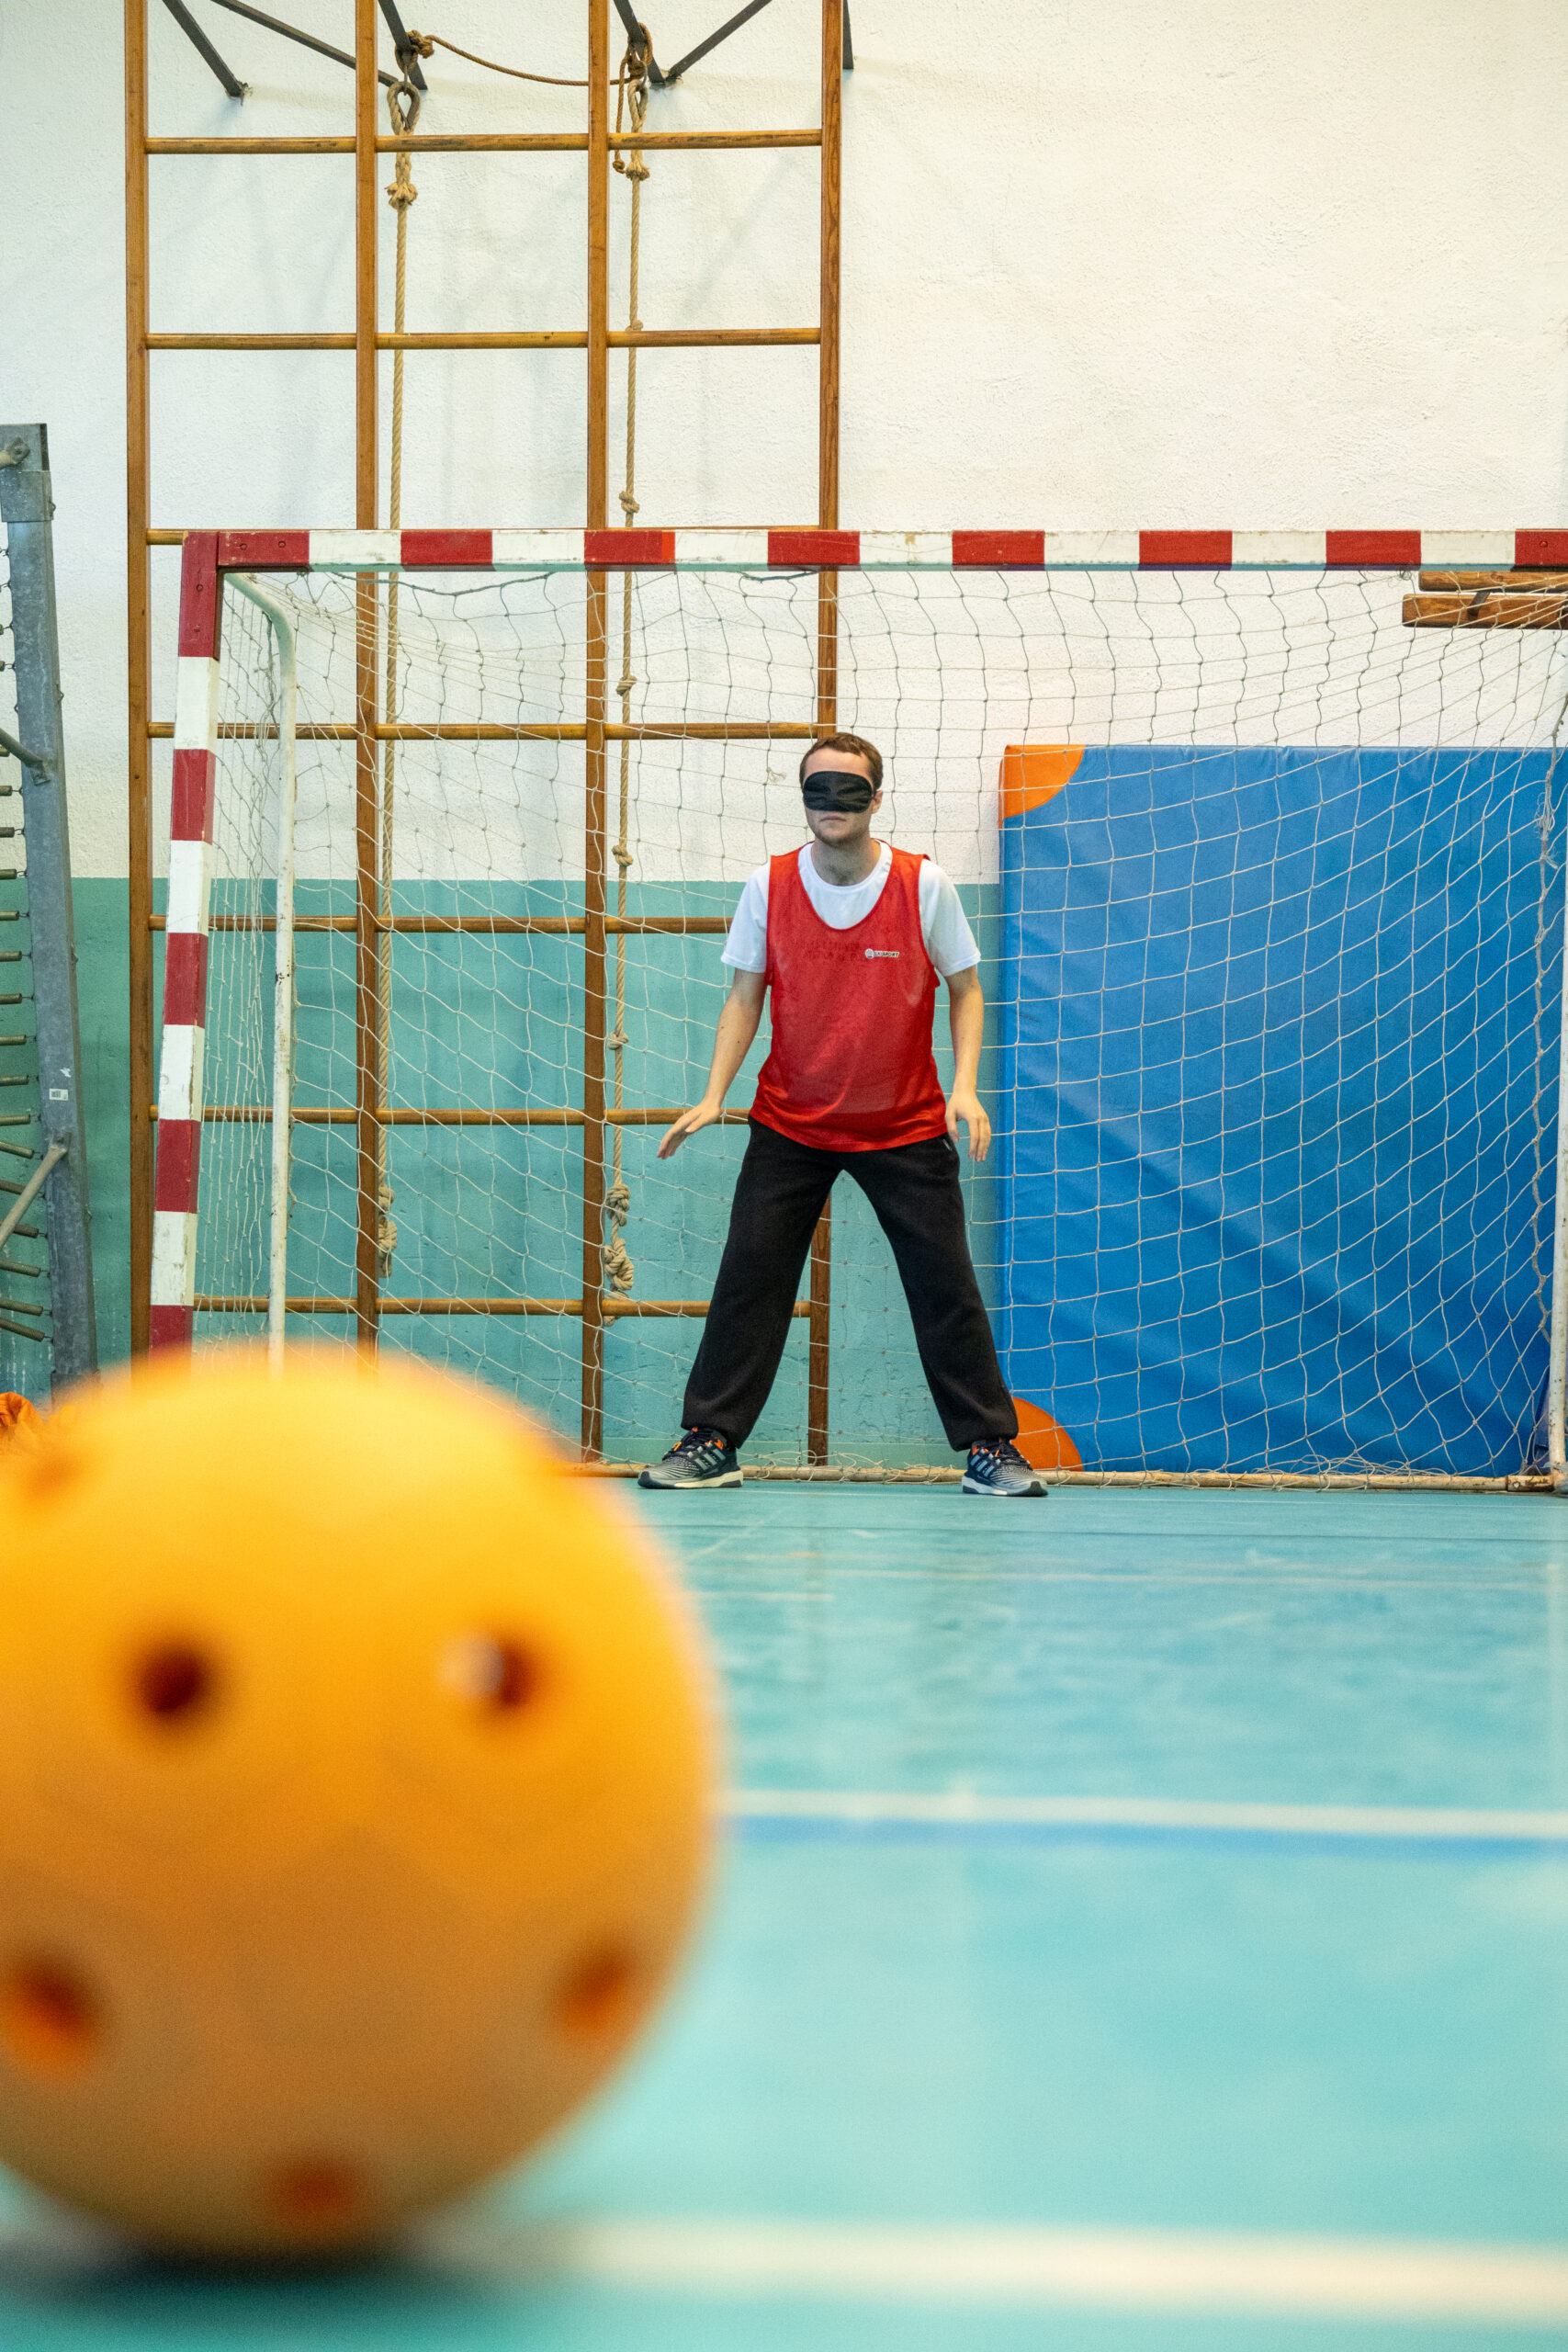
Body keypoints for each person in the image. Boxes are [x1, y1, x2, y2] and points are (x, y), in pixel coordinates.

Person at [638, 731, 1044, 1498]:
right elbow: (743, 995)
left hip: (904, 1125)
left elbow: (965, 989)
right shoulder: (769, 884)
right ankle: (711, 1439)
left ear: (876, 800)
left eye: (849, 789)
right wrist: (712, 1094)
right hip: (790, 1122)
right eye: (817, 788)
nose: (832, 804)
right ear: (803, 800)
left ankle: (989, 1449)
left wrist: (964, 1087)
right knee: (749, 1281)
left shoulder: (923, 887)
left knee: (944, 1287)